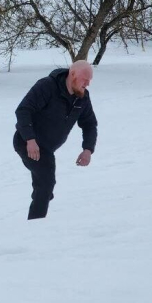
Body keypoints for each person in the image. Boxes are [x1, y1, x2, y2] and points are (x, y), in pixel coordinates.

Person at [14, 61, 98, 220]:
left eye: (89, 80)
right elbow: (23, 110)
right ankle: (35, 223)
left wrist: (88, 149)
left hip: (47, 148)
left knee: (45, 186)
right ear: (72, 75)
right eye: (84, 79)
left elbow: (90, 124)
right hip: (27, 142)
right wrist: (30, 139)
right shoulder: (47, 86)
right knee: (46, 183)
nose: (87, 84)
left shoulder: (82, 97)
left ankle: (42, 199)